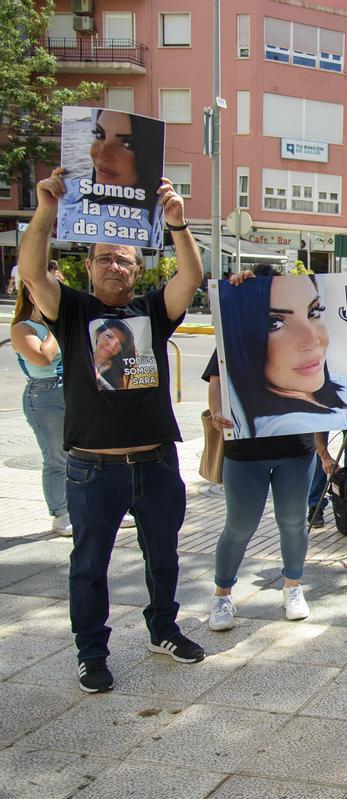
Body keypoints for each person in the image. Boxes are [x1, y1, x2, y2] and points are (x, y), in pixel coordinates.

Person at [21, 167, 206, 694]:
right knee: (89, 564)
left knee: (164, 557)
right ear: (88, 266)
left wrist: (177, 224)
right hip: (91, 470)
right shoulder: (73, 310)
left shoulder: (150, 308)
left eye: (123, 259)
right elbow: (33, 274)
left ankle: (163, 630)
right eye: (104, 258)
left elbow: (190, 279)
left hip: (155, 465)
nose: (114, 266)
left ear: (136, 268)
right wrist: (46, 210)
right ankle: (91, 653)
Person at [204, 312, 316, 628]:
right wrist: (216, 412)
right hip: (244, 450)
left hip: (295, 448)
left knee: (294, 521)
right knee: (239, 526)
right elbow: (216, 380)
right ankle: (222, 595)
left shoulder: (303, 340)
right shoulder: (235, 338)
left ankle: (293, 586)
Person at [217, 274, 347, 437]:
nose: (312, 340)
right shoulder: (284, 425)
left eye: (313, 312)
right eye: (275, 323)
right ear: (244, 337)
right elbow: (216, 379)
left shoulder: (338, 386)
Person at [11, 260, 68, 534]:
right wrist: (55, 322)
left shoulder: (67, 321)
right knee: (57, 457)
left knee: (83, 454)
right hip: (45, 394)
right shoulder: (23, 328)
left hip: (73, 389)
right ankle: (61, 512)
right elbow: (43, 357)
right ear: (31, 294)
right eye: (46, 289)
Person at [59, 109, 163, 249]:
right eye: (100, 135)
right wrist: (46, 208)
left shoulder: (123, 225)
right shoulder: (73, 187)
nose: (102, 154)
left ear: (149, 156)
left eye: (128, 144)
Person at [92, 318, 137, 390]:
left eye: (119, 344)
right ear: (98, 334)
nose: (112, 346)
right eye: (109, 336)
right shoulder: (80, 358)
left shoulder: (115, 375)